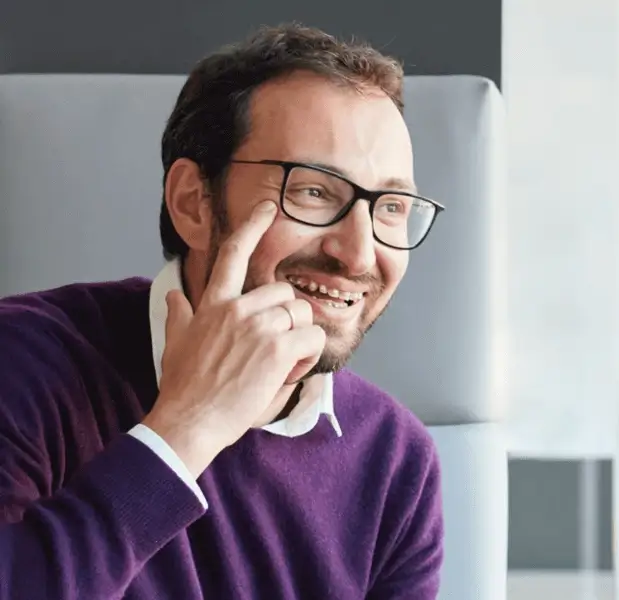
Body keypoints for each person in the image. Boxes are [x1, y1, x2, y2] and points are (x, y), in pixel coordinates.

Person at [0, 23, 445, 599]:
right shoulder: (22, 364)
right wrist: (189, 426)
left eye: (390, 207)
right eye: (312, 191)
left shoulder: (396, 461)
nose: (359, 253)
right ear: (194, 203)